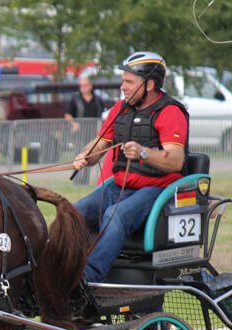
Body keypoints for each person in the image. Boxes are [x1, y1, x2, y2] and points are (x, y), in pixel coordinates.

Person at [72, 51, 189, 282]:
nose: (122, 87)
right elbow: (99, 145)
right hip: (119, 186)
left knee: (115, 216)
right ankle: (61, 269)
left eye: (129, 82)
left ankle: (87, 279)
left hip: (157, 190)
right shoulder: (120, 109)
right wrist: (85, 155)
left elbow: (176, 160)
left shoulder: (170, 112)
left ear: (150, 84)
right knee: (73, 213)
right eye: (123, 81)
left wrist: (143, 153)